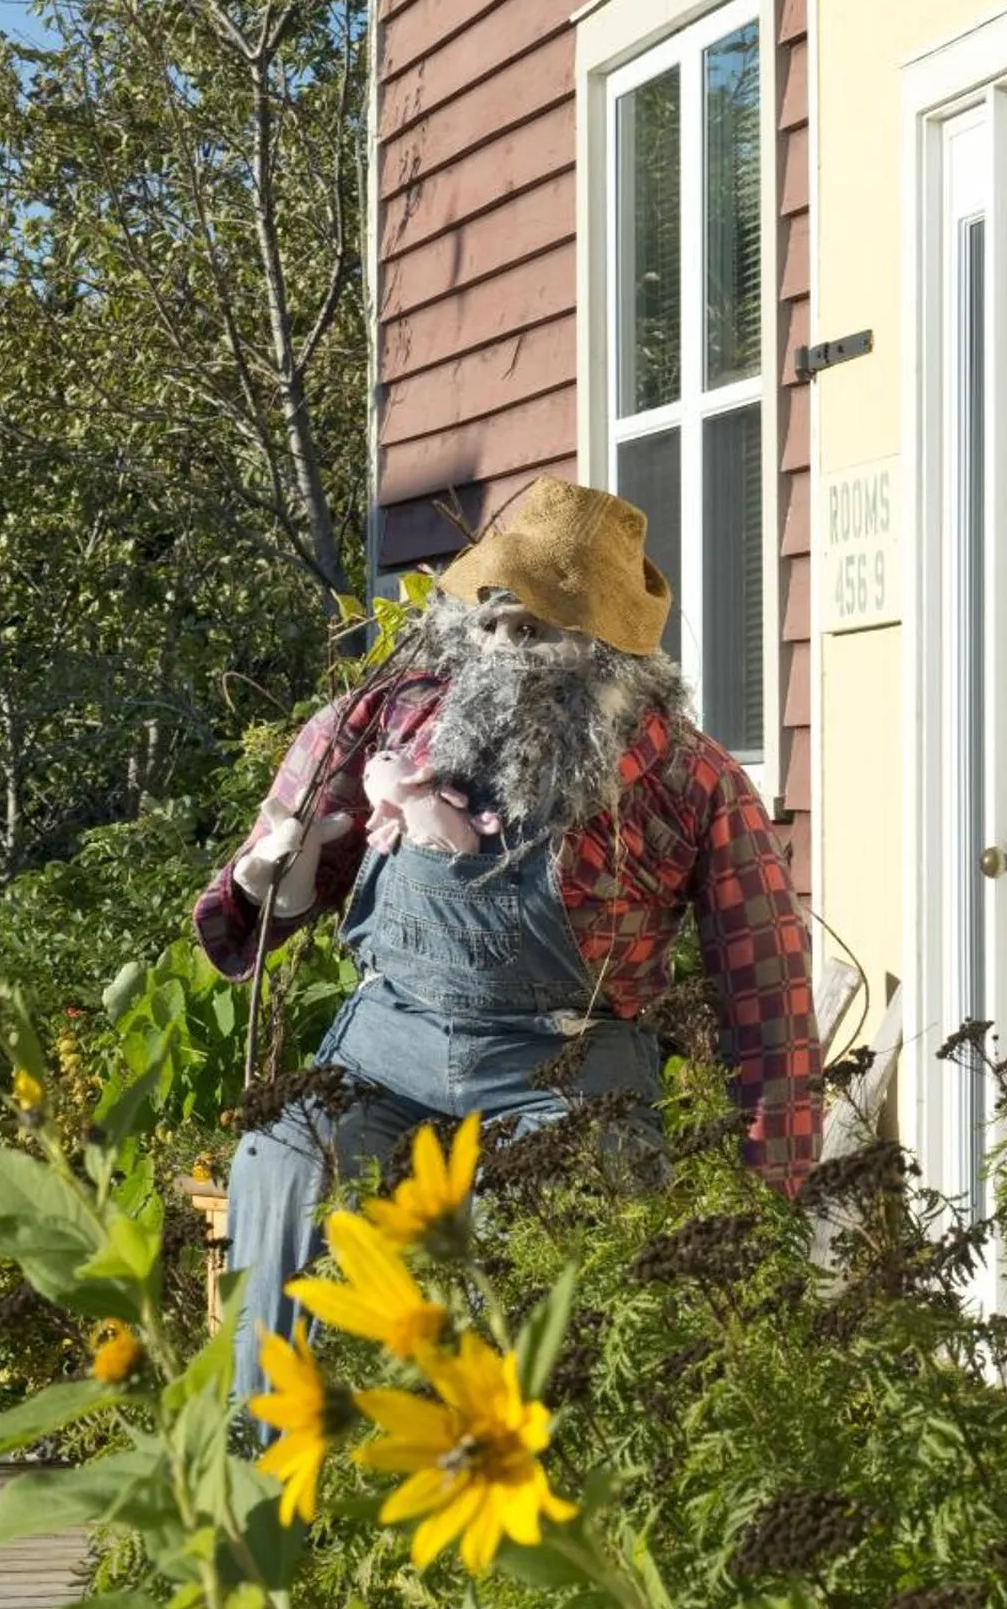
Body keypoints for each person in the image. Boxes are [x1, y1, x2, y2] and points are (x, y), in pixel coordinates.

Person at [193, 477, 822, 1402]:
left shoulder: (691, 780)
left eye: (537, 630)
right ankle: (267, 1471)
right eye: (493, 621)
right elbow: (268, 898)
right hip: (382, 1058)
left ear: (610, 653)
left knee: (546, 1218)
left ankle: (537, 1485)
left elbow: (767, 1002)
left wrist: (771, 1202)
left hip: (559, 1079)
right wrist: (262, 875)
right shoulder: (383, 722)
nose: (503, 650)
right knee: (282, 1160)